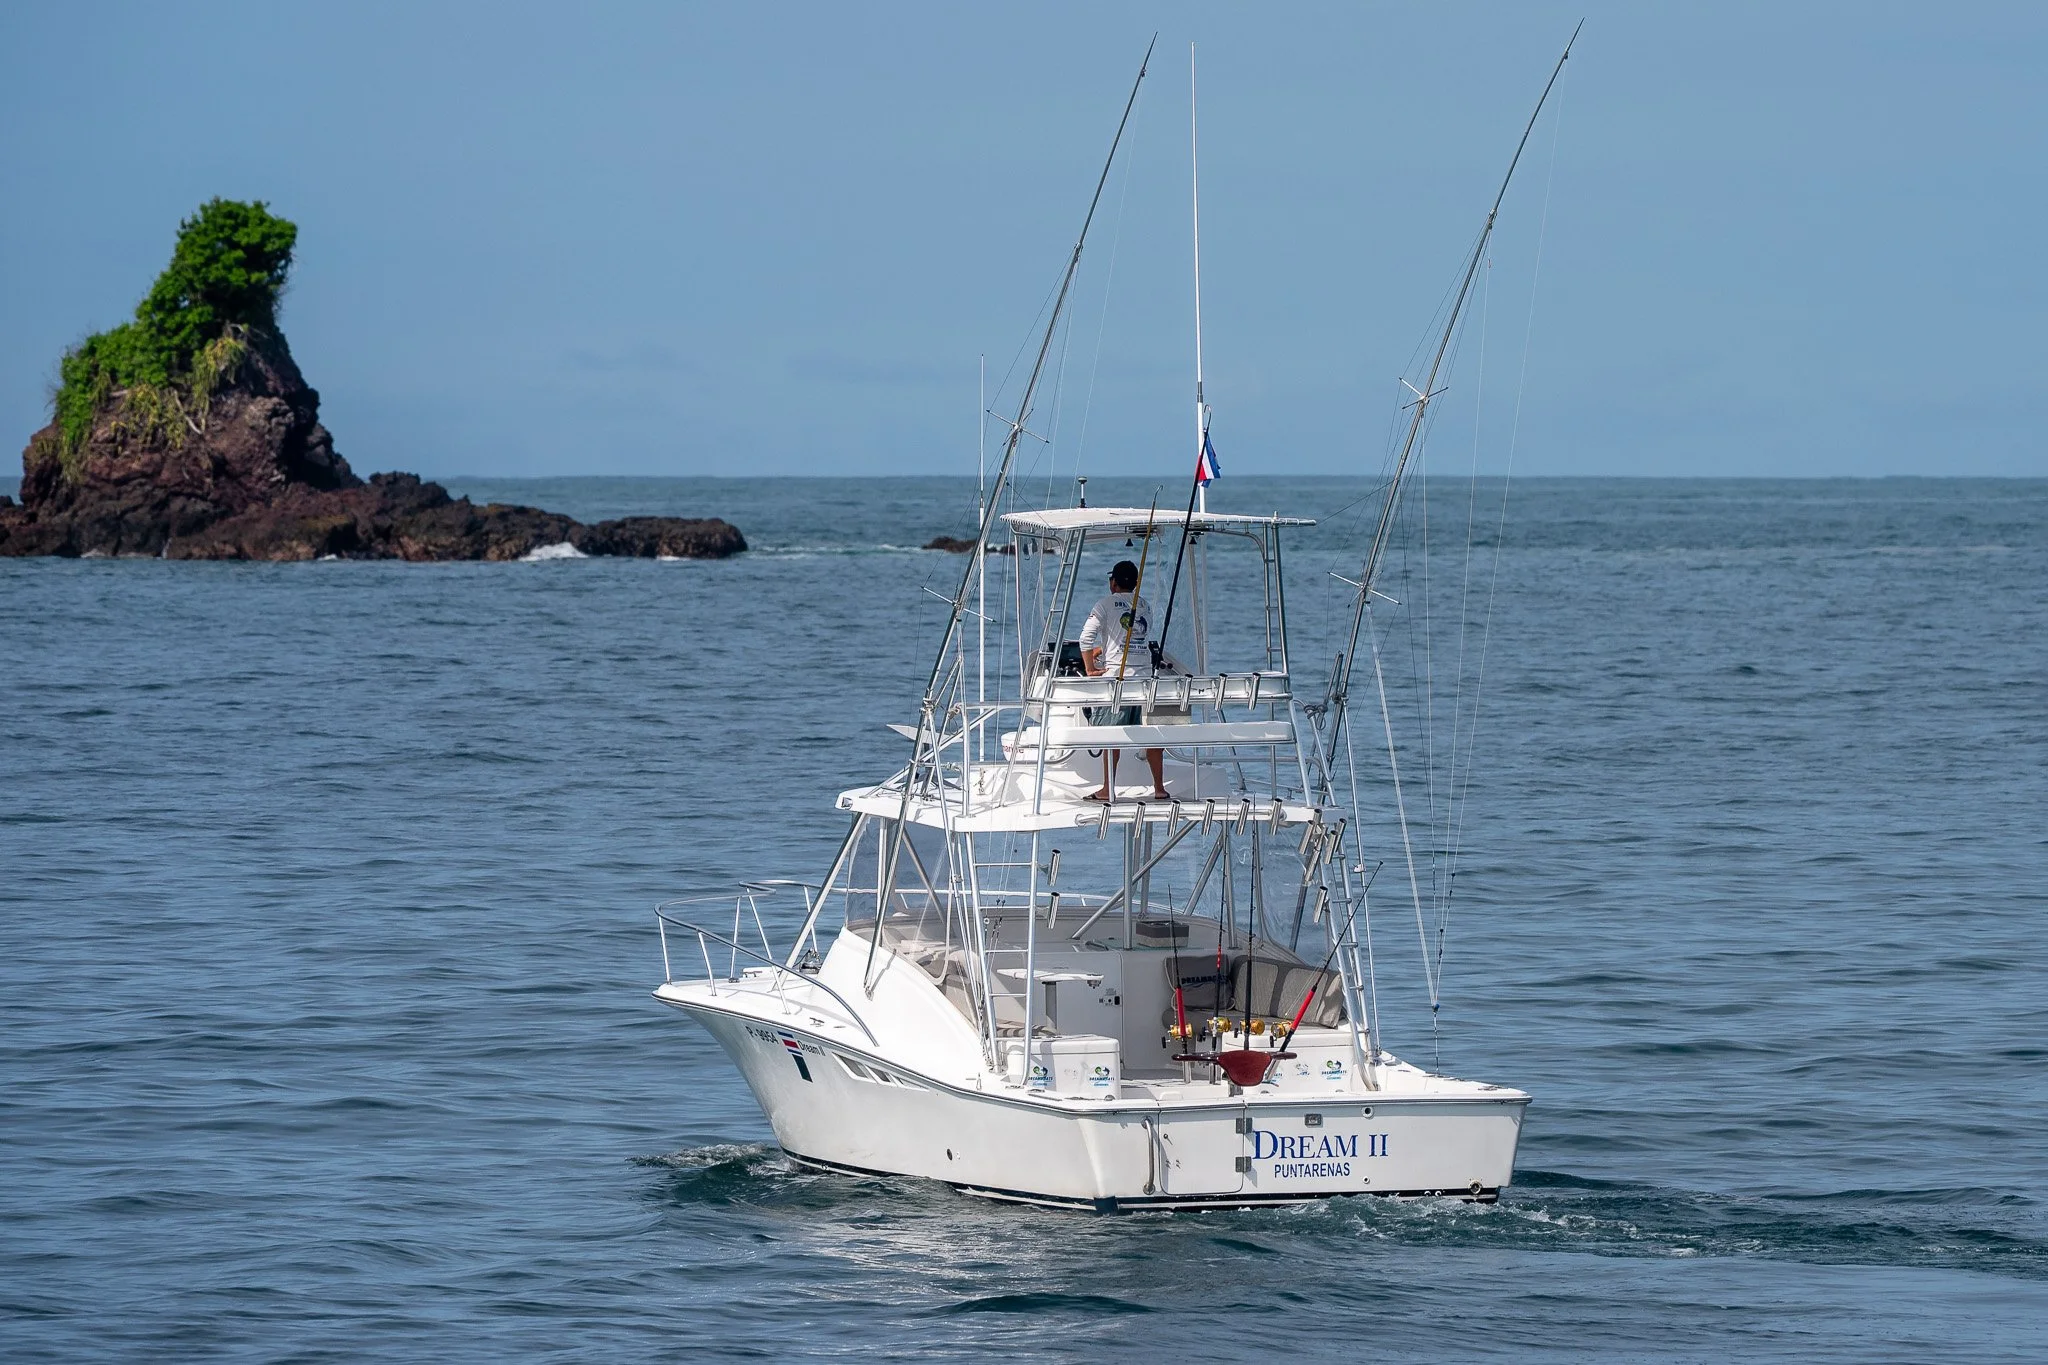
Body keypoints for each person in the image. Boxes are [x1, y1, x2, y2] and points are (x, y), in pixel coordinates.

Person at [1077, 559, 1170, 802]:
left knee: (1111, 737)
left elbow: (1084, 639)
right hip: (1144, 681)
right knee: (1153, 737)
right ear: (1137, 583)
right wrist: (1103, 650)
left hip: (1117, 681)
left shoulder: (1104, 605)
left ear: (1113, 583)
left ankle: (1108, 789)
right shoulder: (1146, 606)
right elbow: (1130, 638)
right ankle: (1159, 788)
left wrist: (1089, 667)